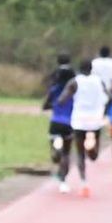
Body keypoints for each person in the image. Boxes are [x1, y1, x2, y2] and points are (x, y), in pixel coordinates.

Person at [57, 59, 109, 197]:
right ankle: (91, 149)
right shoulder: (99, 81)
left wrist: (63, 102)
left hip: (79, 121)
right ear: (91, 69)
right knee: (94, 156)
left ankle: (84, 182)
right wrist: (104, 109)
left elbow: (62, 99)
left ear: (79, 69)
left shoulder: (74, 82)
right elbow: (109, 96)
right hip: (95, 120)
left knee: (80, 154)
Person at [42, 53, 77, 193]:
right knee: (67, 154)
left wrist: (53, 106)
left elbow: (45, 105)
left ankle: (56, 153)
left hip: (55, 122)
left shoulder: (54, 89)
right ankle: (63, 180)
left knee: (55, 151)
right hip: (69, 123)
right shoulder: (74, 92)